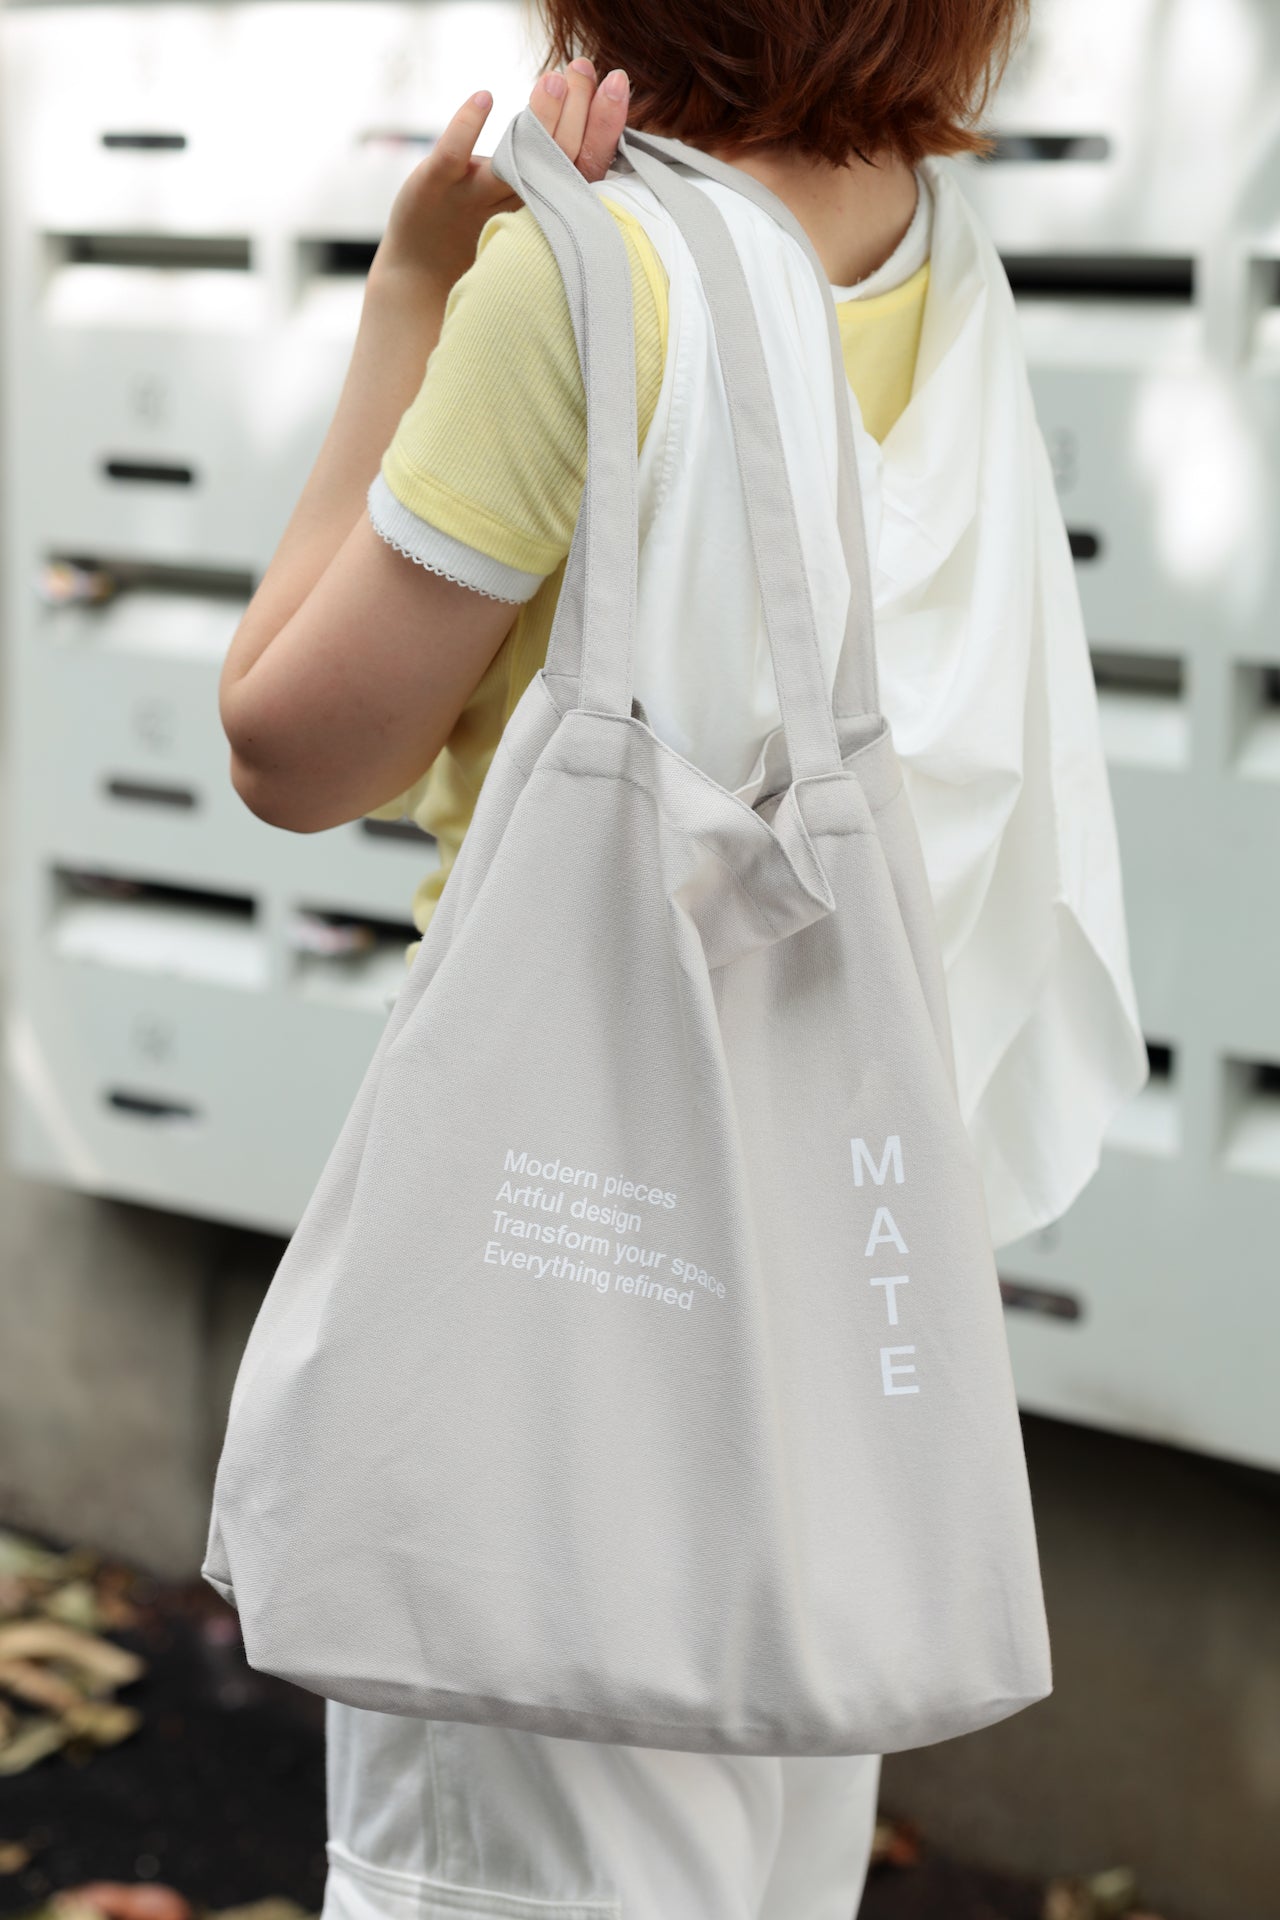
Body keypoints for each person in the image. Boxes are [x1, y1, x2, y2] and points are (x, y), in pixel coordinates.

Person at [217, 2, 1148, 1914]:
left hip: (560, 1264)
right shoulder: (923, 249)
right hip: (823, 1287)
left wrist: (413, 293)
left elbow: (288, 751)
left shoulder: (591, 274)